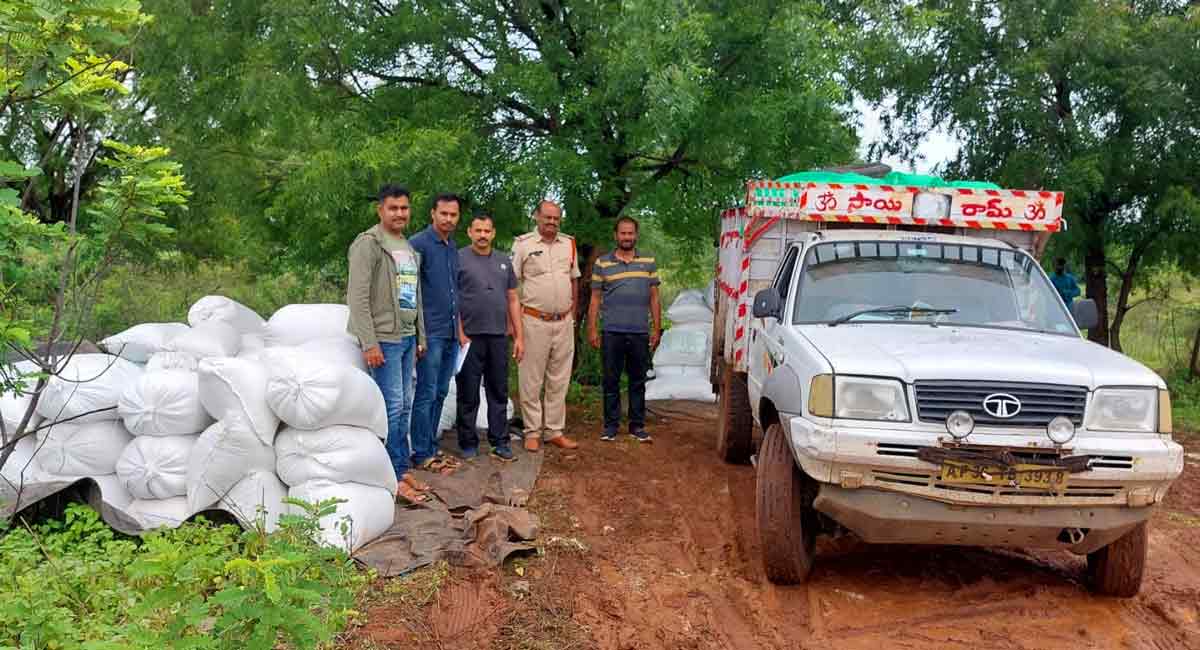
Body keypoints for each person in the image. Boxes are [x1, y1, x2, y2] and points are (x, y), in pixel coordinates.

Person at [347, 184, 430, 504]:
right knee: (391, 408)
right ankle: (390, 479)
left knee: (405, 405)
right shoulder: (369, 244)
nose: (400, 213)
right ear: (380, 210)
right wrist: (369, 343)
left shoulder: (406, 246)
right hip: (384, 338)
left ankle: (399, 467)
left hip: (407, 337)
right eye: (393, 208)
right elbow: (357, 297)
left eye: (405, 208)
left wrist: (420, 336)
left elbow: (415, 295)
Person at [455, 212, 525, 461]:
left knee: (498, 391)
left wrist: (519, 336)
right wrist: (460, 332)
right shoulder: (459, 258)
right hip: (469, 338)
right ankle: (467, 443)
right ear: (470, 233)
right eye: (478, 230)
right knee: (468, 392)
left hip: (498, 336)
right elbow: (452, 299)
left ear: (493, 233)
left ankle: (500, 441)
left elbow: (513, 298)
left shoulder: (504, 261)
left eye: (487, 231)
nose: (483, 235)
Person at [512, 200, 580, 452]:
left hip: (563, 322)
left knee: (559, 379)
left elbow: (573, 280)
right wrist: (515, 324)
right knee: (531, 379)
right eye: (547, 217)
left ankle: (554, 431)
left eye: (556, 218)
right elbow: (512, 285)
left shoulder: (569, 244)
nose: (552, 222)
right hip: (533, 321)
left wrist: (572, 313)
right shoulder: (523, 245)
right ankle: (532, 431)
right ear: (536, 217)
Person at [587, 216, 661, 443]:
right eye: (623, 233)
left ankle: (637, 426)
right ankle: (610, 426)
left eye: (630, 233)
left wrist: (657, 329)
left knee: (638, 380)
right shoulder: (602, 263)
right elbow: (595, 299)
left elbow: (654, 297)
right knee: (611, 380)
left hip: (639, 331)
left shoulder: (648, 262)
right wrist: (592, 328)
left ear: (636, 235)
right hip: (611, 331)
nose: (627, 237)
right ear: (616, 235)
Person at [409, 193, 465, 474]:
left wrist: (460, 331)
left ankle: (430, 445)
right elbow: (410, 293)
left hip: (450, 333)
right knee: (427, 392)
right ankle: (420, 452)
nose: (448, 219)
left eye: (453, 215)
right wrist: (417, 334)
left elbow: (454, 292)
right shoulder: (418, 245)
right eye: (444, 213)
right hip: (429, 333)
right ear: (433, 213)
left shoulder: (452, 247)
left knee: (442, 391)